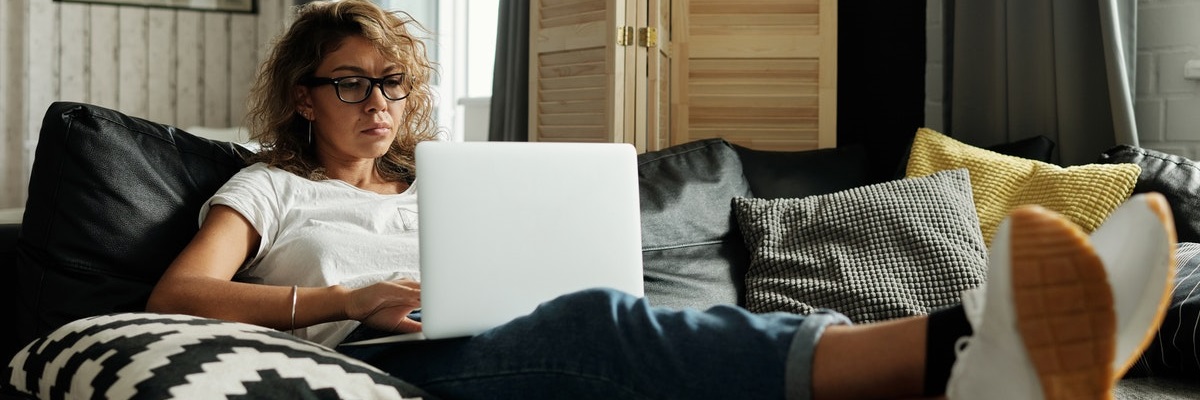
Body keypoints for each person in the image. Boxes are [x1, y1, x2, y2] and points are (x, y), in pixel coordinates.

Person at [144, 1, 1176, 399]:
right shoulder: (270, 186)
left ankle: (993, 348)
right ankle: (963, 347)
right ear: (302, 97)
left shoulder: (443, 187)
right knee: (607, 326)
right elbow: (176, 298)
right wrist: (349, 296)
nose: (380, 102)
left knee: (671, 322)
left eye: (393, 82)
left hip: (497, 337)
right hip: (383, 357)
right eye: (351, 83)